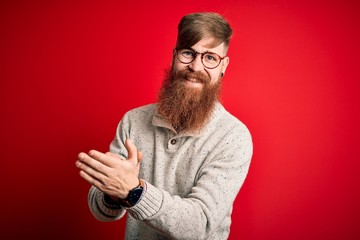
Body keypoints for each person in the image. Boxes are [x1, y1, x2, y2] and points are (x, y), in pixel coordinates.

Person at [76, 12, 253, 240]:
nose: (196, 66)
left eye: (210, 57)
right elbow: (102, 212)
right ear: (174, 56)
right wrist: (111, 193)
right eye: (188, 53)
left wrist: (134, 192)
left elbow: (199, 225)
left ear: (223, 66)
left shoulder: (233, 137)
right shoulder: (133, 120)